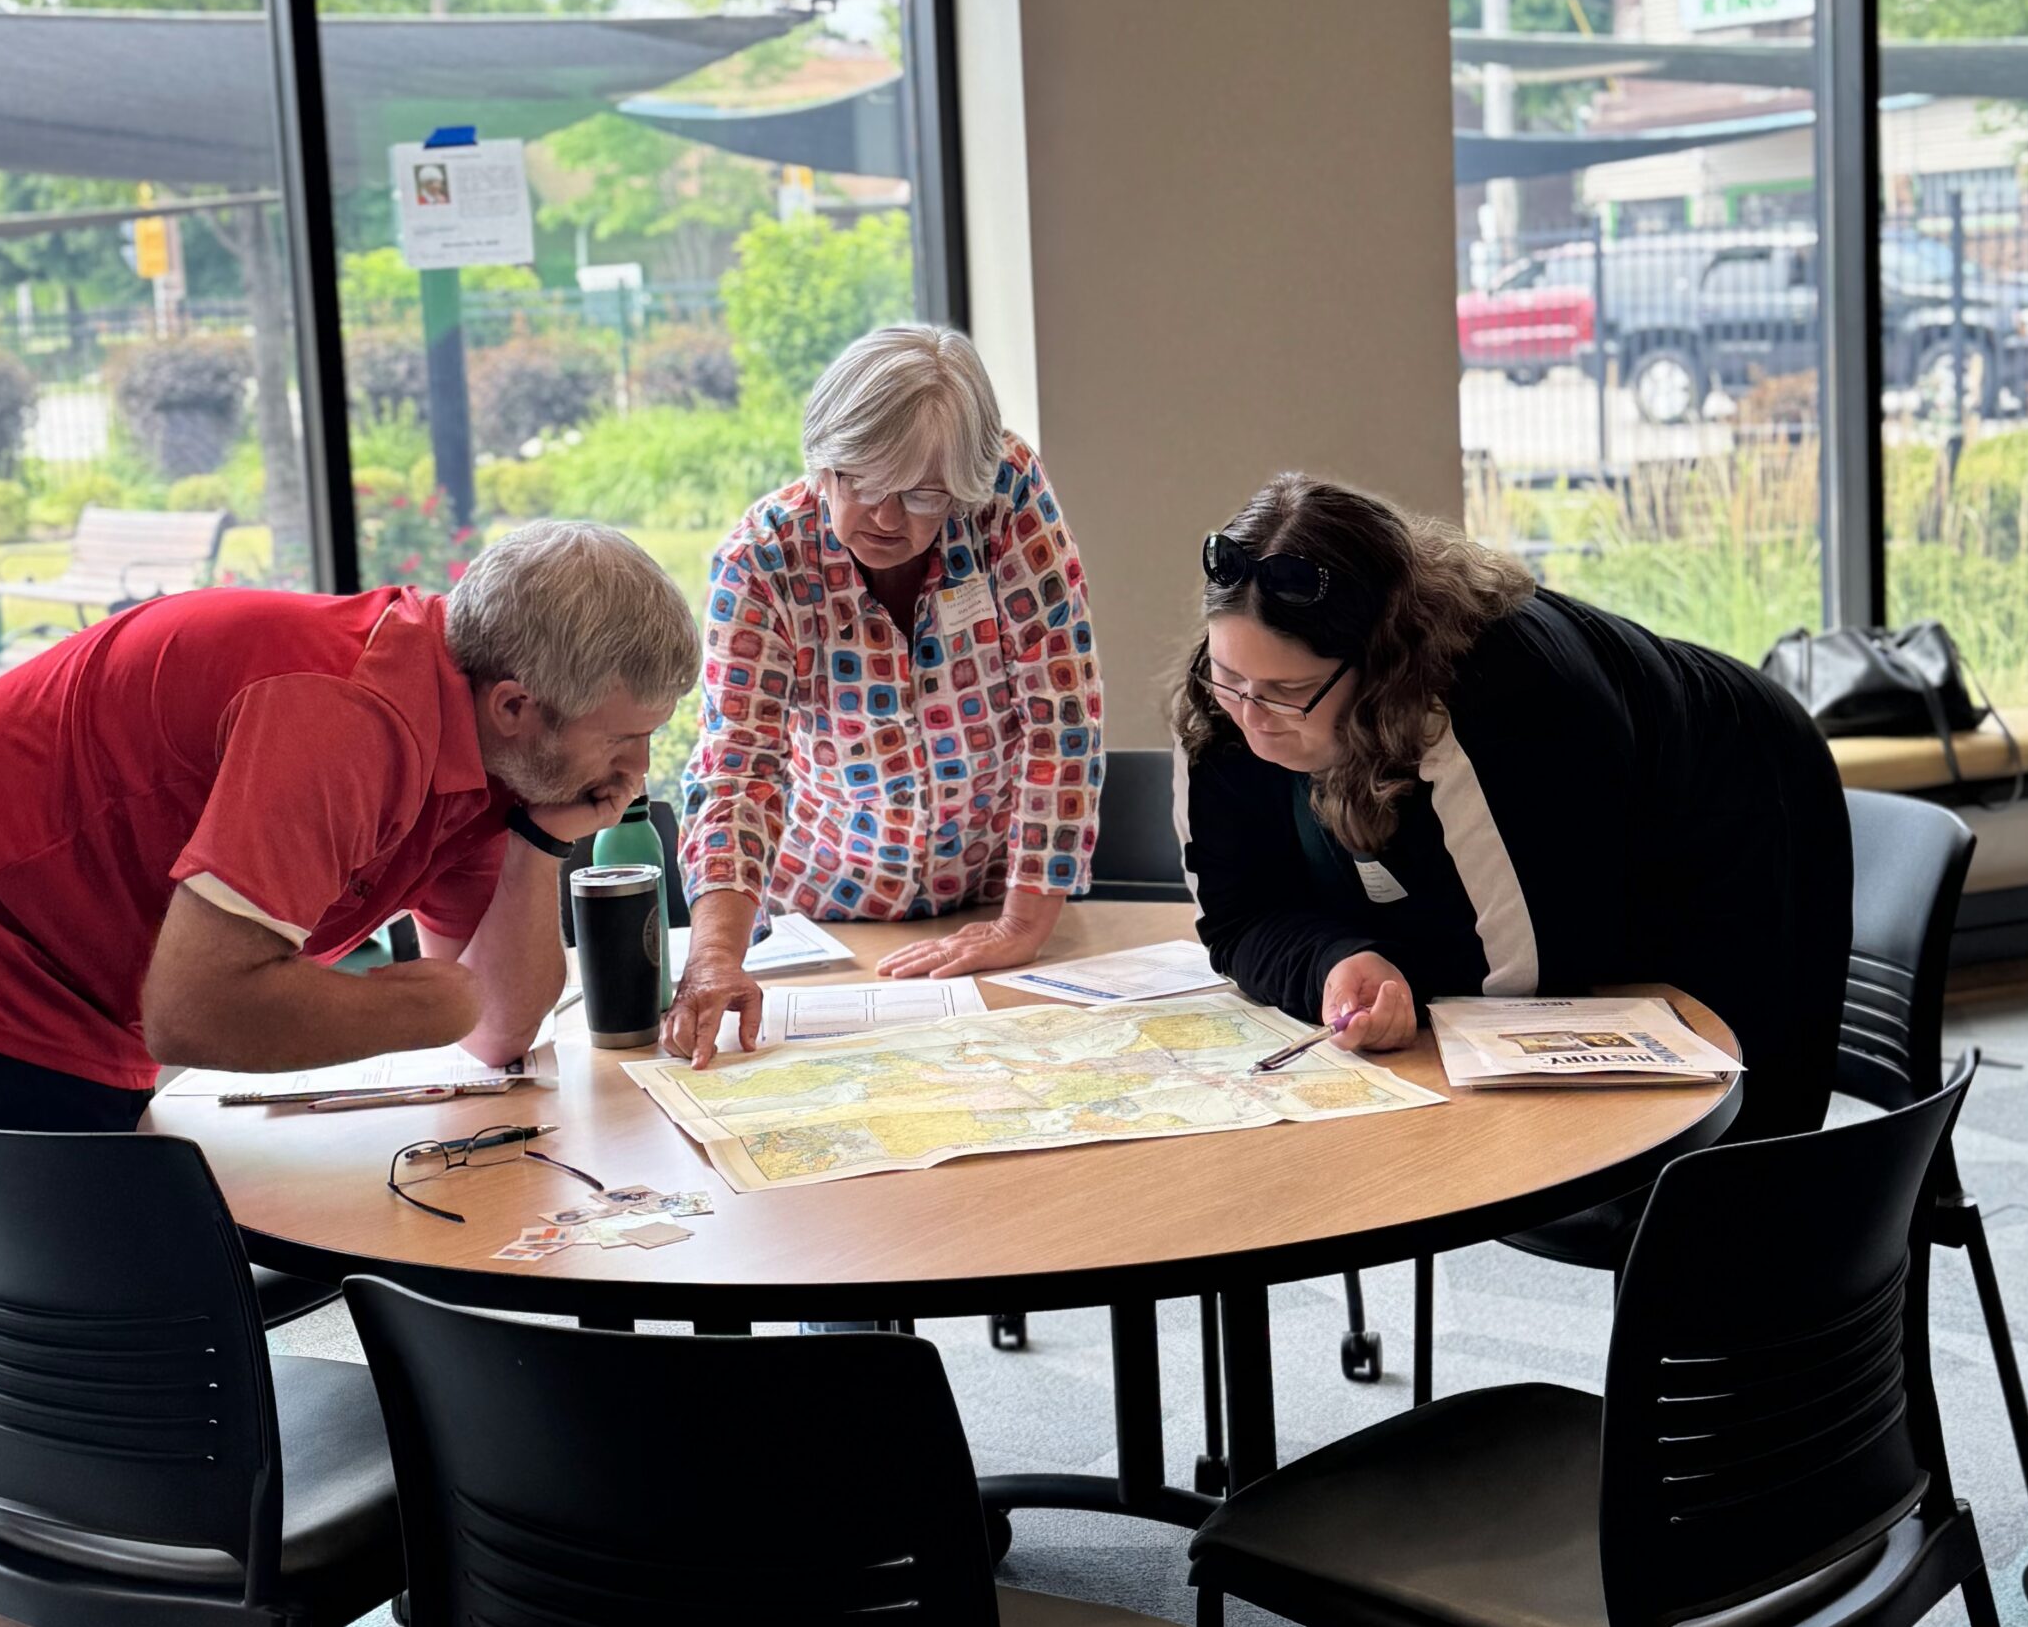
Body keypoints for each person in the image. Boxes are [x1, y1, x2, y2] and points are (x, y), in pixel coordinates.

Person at [0, 519, 697, 1627]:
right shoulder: (344, 719)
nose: (638, 775)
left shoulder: (490, 747)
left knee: (30, 1321)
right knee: (1, 1334)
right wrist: (422, 1003)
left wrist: (543, 832)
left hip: (93, 969)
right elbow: (203, 1005)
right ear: (517, 702)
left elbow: (500, 1020)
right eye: (622, 742)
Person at [1176, 471, 1847, 1141]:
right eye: (1232, 677)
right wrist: (1337, 962)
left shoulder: (1499, 706)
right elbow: (1237, 922)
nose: (1252, 718)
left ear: (1379, 667)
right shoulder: (1224, 705)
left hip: (1733, 792)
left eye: (1288, 689)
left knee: (1734, 1133)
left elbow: (1523, 977)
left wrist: (1395, 972)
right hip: (1584, 808)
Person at [664, 324, 1103, 1068]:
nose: (887, 517)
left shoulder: (1005, 495)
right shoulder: (763, 560)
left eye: (922, 493)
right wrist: (713, 958)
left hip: (991, 899)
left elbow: (1060, 709)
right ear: (822, 462)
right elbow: (739, 768)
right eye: (861, 480)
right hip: (829, 911)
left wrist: (1023, 924)